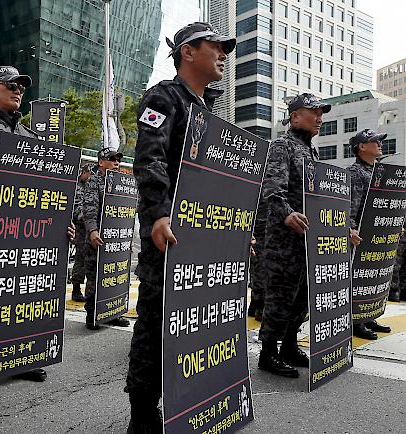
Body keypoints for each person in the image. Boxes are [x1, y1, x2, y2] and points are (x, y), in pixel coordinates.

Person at [127, 22, 236, 433]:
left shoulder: (205, 111)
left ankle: (184, 402)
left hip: (202, 236)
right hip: (168, 233)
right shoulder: (163, 97)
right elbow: (149, 157)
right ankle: (141, 412)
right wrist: (157, 212)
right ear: (188, 52)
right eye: (216, 47)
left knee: (194, 321)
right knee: (155, 322)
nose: (223, 54)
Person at [0, 65, 74, 397]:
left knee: (24, 289)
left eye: (21, 86)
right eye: (10, 85)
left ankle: (24, 355)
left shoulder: (31, 138)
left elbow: (46, 189)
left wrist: (62, 223)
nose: (17, 89)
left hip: (27, 228)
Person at [257, 93, 332, 379]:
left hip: (308, 240)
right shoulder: (281, 146)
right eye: (314, 112)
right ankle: (268, 353)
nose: (319, 118)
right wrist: (287, 213)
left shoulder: (311, 152)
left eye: (321, 113)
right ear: (295, 116)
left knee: (301, 297)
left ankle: (289, 345)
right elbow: (272, 188)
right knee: (280, 296)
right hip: (284, 241)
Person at [348, 129, 393, 339]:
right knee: (357, 279)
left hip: (375, 236)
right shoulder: (355, 173)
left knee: (372, 277)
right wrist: (351, 228)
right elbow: (351, 206)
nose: (379, 144)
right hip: (360, 237)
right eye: (374, 141)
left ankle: (368, 315)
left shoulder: (376, 172)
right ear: (362, 147)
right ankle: (355, 321)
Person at [81, 149, 130, 330]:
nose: (116, 162)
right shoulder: (94, 180)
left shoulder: (121, 182)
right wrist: (93, 231)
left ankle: (114, 313)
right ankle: (92, 314)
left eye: (118, 159)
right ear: (101, 162)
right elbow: (89, 207)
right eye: (112, 159)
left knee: (116, 276)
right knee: (95, 276)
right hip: (99, 238)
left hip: (117, 240)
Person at [70, 163, 96, 302]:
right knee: (80, 260)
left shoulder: (91, 186)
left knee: (90, 262)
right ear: (84, 172)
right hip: (81, 230)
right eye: (90, 174)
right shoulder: (77, 187)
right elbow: (77, 210)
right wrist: (91, 219)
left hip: (91, 230)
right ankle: (76, 289)